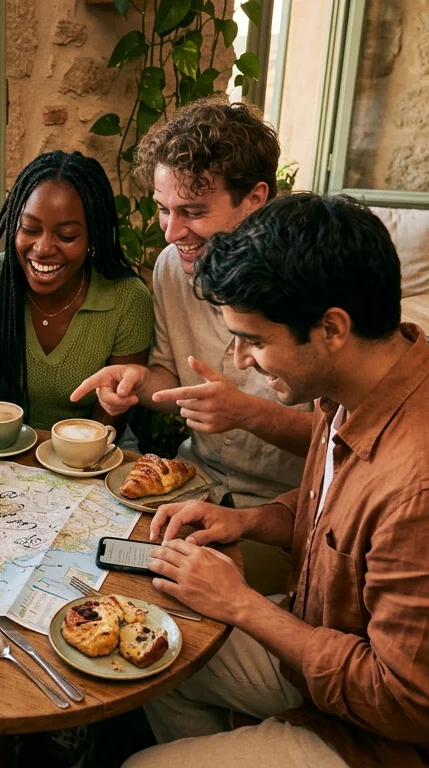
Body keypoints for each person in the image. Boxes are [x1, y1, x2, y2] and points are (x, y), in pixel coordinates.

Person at [125, 194, 429, 768]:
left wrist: (244, 605)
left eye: (256, 339)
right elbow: (339, 506)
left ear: (332, 329)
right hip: (327, 639)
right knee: (164, 649)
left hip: (401, 745)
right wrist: (248, 520)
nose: (242, 359)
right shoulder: (369, 378)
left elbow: (406, 704)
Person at [71, 97, 315, 592]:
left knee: (145, 597)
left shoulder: (313, 281)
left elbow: (343, 446)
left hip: (283, 521)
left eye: (193, 212)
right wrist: (139, 383)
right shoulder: (171, 268)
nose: (172, 231)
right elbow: (169, 376)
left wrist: (247, 412)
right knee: (83, 567)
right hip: (190, 489)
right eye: (163, 209)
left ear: (256, 198)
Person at [0, 150, 154, 521]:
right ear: (13, 225)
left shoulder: (127, 299)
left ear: (92, 236)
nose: (42, 248)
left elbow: (107, 427)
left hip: (92, 460)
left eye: (67, 235)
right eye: (30, 228)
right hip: (0, 455)